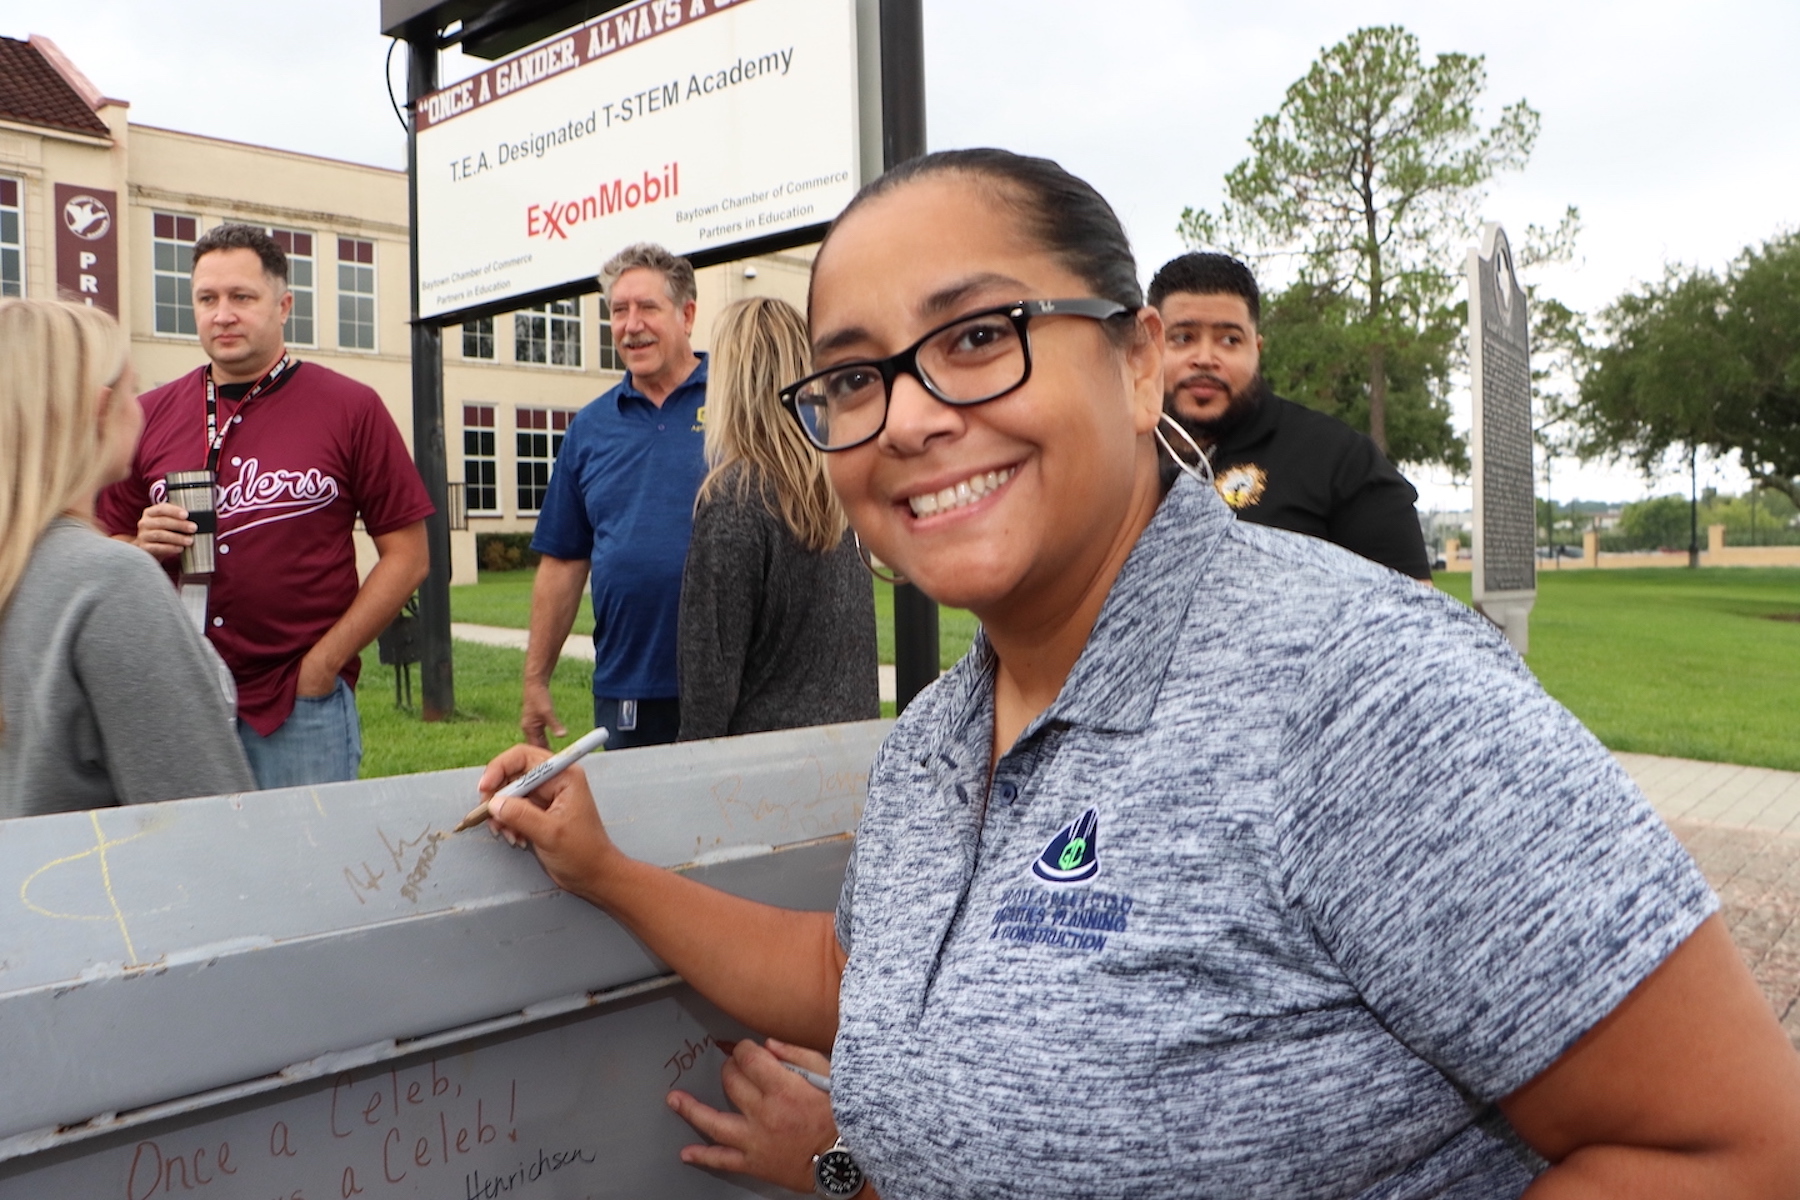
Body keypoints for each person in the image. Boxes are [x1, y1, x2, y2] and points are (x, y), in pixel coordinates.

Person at [475, 150, 1800, 1198]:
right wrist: (605, 871)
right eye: (856, 377)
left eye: (979, 335)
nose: (916, 414)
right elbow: (864, 979)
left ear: (1138, 358)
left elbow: (1731, 1153)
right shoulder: (939, 735)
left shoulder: (1357, 688)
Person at [98, 224, 432, 789]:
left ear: (283, 306)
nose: (222, 314)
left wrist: (323, 666)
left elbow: (408, 555)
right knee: (197, 867)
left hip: (298, 702)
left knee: (310, 868)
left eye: (241, 297)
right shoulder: (145, 414)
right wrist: (137, 544)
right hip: (181, 697)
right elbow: (97, 546)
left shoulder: (350, 407)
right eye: (207, 299)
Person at [1, 299, 254, 817]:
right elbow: (208, 821)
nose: (141, 410)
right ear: (99, 410)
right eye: (133, 391)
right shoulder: (108, 581)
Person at [524, 243, 708, 750]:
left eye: (647, 307)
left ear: (686, 314)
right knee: (634, 828)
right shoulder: (590, 428)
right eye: (619, 311)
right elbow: (563, 561)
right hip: (630, 688)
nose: (631, 325)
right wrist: (535, 680)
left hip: (733, 681)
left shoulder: (738, 401)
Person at [1152, 251, 1433, 579]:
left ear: (1256, 350)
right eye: (1183, 338)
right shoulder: (1111, 457)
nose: (1205, 358)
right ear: (1148, 346)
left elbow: (1416, 616)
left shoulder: (1341, 461)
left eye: (1229, 340)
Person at [676, 297, 880, 741]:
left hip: (763, 782)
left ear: (730, 384)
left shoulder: (735, 501)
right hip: (847, 764)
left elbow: (707, 698)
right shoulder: (834, 485)